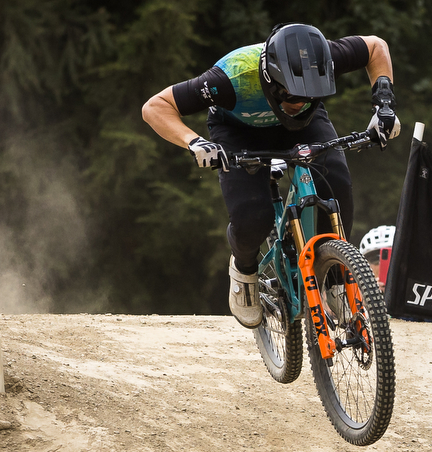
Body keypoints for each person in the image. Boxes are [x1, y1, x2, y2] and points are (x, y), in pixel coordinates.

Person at [141, 23, 399, 326]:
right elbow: (155, 106)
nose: (299, 104)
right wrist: (195, 142)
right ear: (271, 81)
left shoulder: (323, 56)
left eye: (308, 96)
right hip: (239, 131)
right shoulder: (229, 78)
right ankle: (245, 270)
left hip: (304, 127)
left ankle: (335, 278)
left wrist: (384, 105)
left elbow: (375, 46)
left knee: (337, 185)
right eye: (292, 97)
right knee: (252, 218)